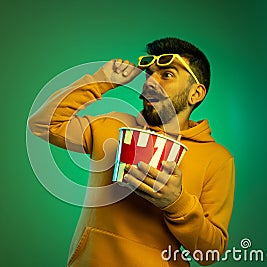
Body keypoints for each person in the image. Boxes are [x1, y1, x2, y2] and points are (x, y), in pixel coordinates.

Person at [28, 37, 235, 266]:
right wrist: (100, 81)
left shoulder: (217, 159)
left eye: (166, 75)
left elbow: (211, 253)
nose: (150, 82)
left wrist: (176, 202)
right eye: (149, 73)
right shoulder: (112, 126)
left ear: (196, 93)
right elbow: (42, 124)